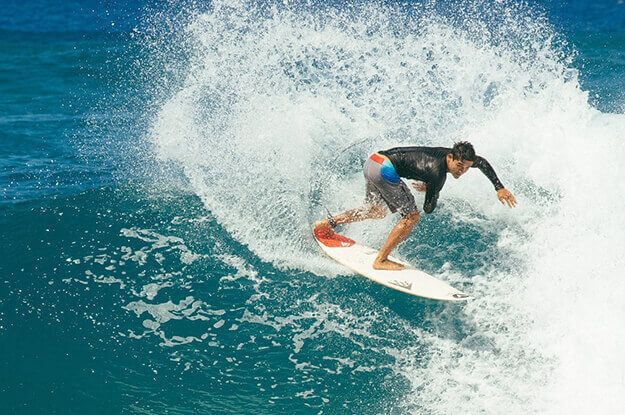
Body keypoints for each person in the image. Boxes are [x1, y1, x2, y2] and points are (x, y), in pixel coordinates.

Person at [314, 141, 517, 270]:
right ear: (450, 157)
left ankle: (326, 224)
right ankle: (381, 260)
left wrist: (499, 187)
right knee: (412, 217)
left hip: (373, 162)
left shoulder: (453, 155)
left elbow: (481, 163)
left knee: (375, 210)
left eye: (466, 168)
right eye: (459, 166)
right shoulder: (437, 174)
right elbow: (428, 208)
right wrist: (431, 188)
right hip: (385, 170)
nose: (461, 171)